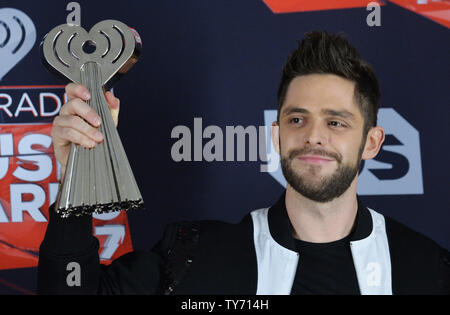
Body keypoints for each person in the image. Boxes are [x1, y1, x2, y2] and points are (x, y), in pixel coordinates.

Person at [37, 30, 450, 295]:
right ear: (276, 135)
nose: (313, 136)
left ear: (371, 142)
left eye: (336, 122)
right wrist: (78, 173)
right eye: (297, 118)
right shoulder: (193, 254)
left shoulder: (426, 268)